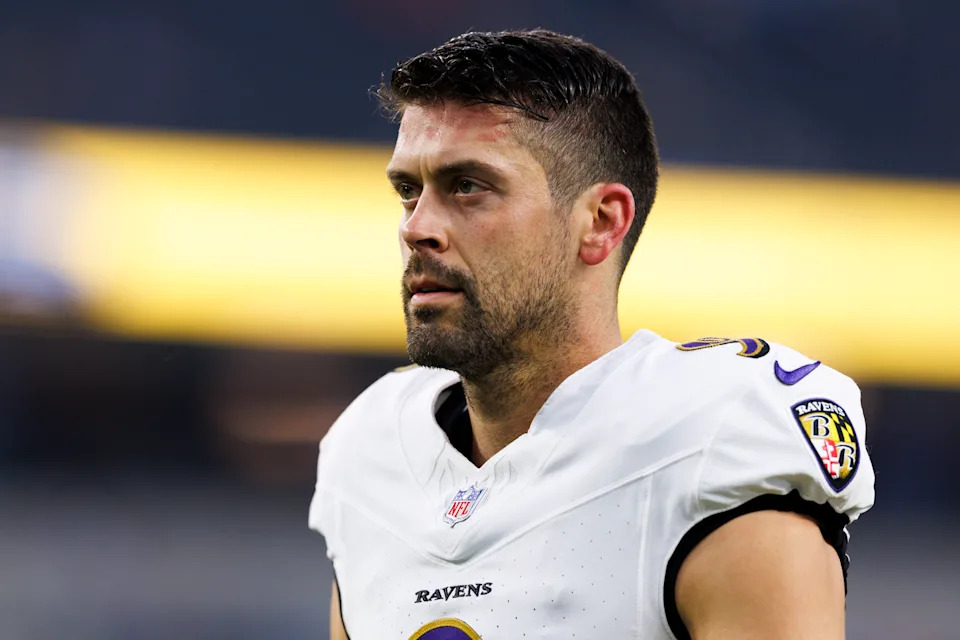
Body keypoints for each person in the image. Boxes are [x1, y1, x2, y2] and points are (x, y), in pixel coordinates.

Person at [309, 29, 874, 640]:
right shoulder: (373, 450)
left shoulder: (710, 439)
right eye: (408, 191)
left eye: (468, 186)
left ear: (601, 223)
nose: (417, 228)